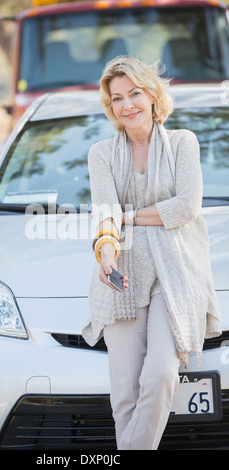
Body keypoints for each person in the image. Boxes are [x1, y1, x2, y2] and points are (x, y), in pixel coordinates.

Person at [82, 56, 221, 450]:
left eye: (135, 94)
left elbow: (185, 207)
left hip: (175, 273)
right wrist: (106, 253)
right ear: (111, 106)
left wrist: (125, 216)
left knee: (160, 374)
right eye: (118, 98)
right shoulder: (102, 154)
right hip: (124, 272)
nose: (128, 105)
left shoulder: (182, 143)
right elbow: (105, 214)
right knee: (125, 392)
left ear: (153, 94)